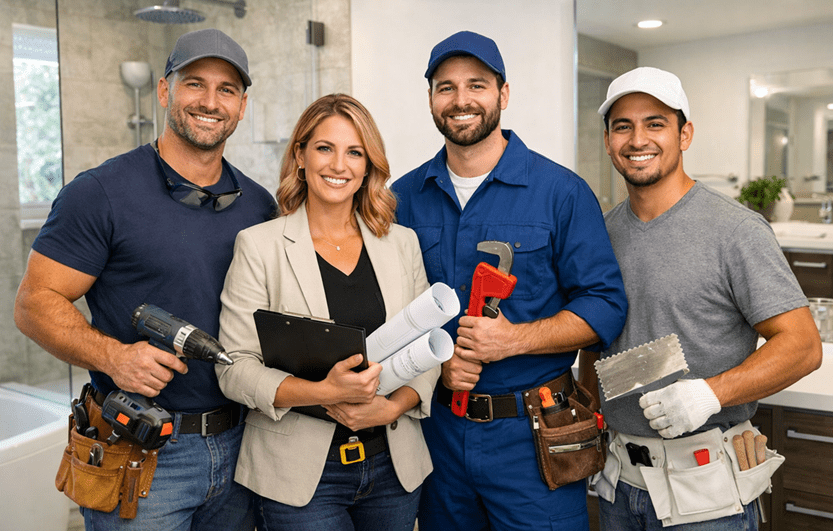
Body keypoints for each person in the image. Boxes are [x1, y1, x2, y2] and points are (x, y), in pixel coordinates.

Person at [14, 28, 276, 530]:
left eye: (227, 90)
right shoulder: (100, 193)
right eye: (194, 83)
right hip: (144, 452)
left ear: (242, 106)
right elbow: (33, 303)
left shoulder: (259, 204)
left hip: (245, 446)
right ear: (163, 91)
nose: (210, 101)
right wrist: (113, 356)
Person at [391, 30, 628, 531]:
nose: (461, 100)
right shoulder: (403, 198)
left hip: (535, 437)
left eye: (477, 85)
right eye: (445, 87)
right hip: (439, 435)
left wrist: (514, 339)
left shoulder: (560, 193)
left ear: (502, 93)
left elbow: (605, 305)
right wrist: (432, 369)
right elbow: (386, 313)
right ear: (431, 98)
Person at [581, 66, 823, 530]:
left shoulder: (735, 230)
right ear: (609, 140)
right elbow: (595, 336)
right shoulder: (601, 232)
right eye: (622, 126)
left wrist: (710, 394)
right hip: (618, 485)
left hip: (707, 495)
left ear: (684, 134)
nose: (638, 139)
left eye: (655, 123)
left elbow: (803, 345)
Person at [215, 93, 437, 531]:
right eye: (324, 148)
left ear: (369, 165)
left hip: (393, 468)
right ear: (300, 155)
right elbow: (233, 369)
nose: (339, 165)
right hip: (300, 476)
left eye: (355, 152)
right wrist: (324, 392)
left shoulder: (402, 244)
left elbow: (426, 350)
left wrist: (393, 408)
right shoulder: (259, 246)